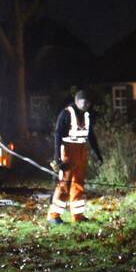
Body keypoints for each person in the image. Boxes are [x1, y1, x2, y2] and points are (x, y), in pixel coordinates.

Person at [47, 90, 102, 224]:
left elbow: (91, 136)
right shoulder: (66, 113)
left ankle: (77, 216)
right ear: (77, 101)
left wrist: (97, 154)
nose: (86, 104)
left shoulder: (87, 116)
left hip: (81, 151)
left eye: (88, 102)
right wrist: (57, 158)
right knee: (64, 184)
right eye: (84, 101)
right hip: (67, 150)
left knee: (78, 184)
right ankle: (53, 216)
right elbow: (58, 135)